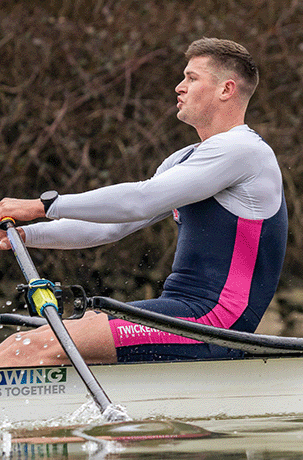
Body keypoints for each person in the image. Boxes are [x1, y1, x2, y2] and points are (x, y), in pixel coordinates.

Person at [0, 38, 288, 365]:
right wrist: (25, 236)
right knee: (18, 343)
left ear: (226, 90)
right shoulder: (186, 158)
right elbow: (111, 228)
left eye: (192, 78)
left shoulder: (244, 152)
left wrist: (41, 206)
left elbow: (140, 201)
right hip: (179, 311)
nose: (179, 88)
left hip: (215, 324)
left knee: (27, 349)